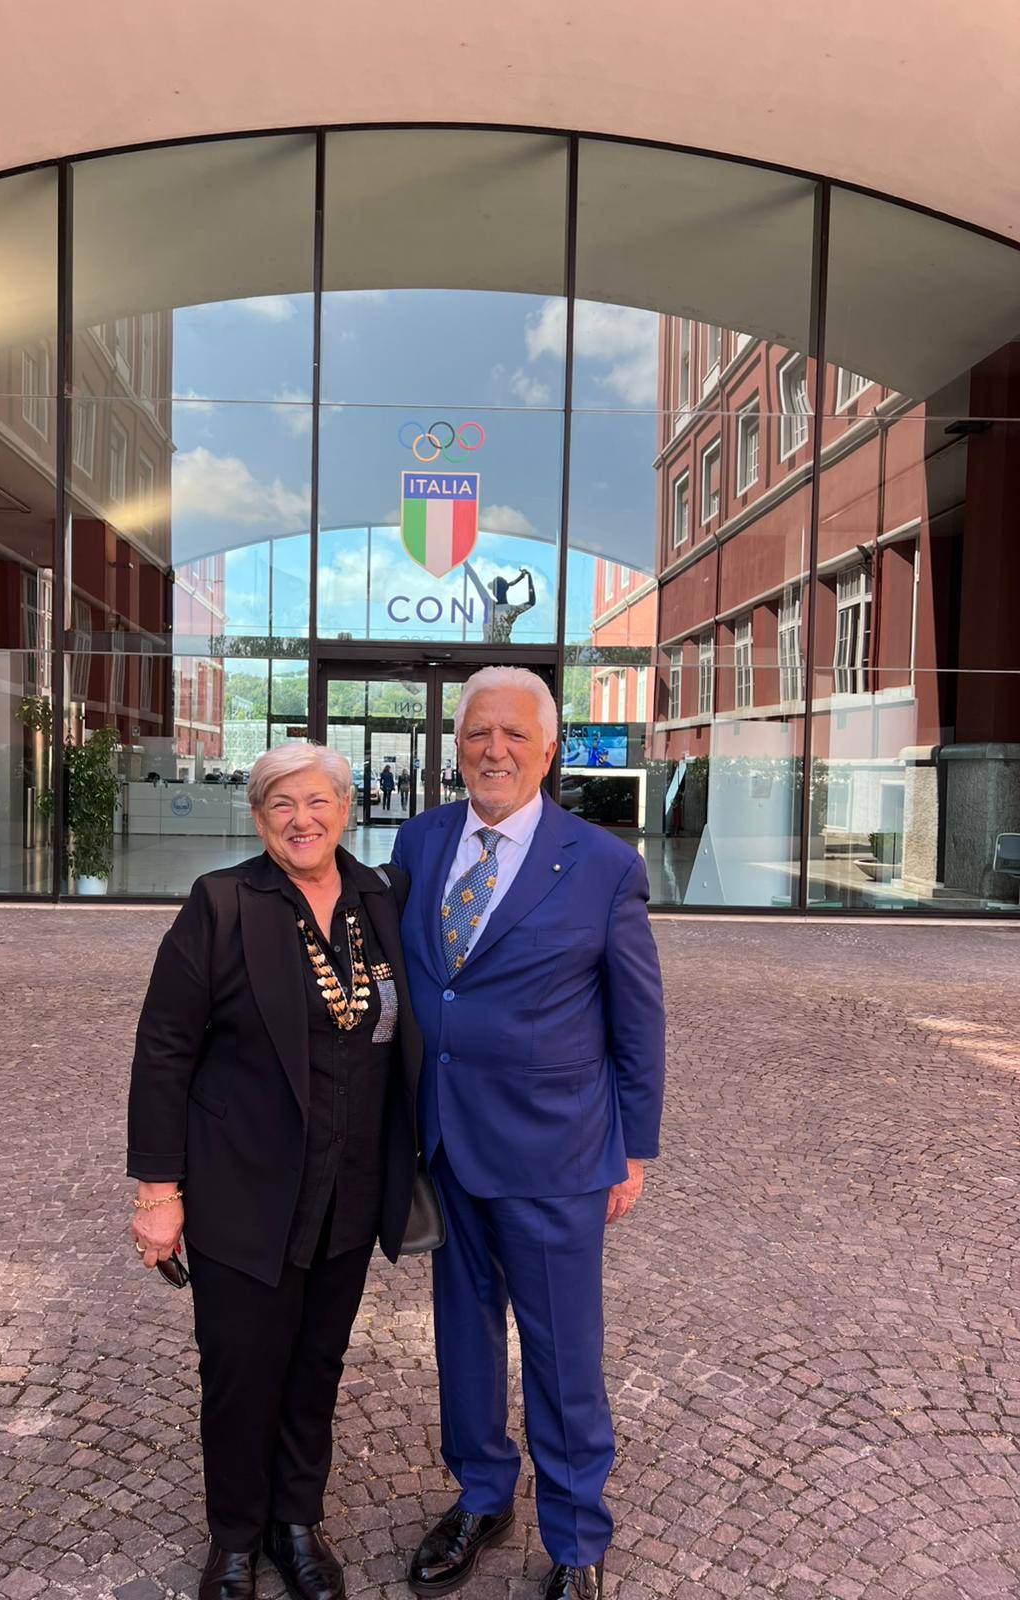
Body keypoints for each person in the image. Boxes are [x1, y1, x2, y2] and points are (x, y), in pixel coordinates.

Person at [391, 666, 665, 1600]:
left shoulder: (601, 864)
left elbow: (638, 1019)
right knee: (464, 1341)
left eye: (514, 734)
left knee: (561, 1353)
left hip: (556, 1152)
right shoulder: (421, 841)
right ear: (456, 746)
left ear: (548, 750)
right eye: (478, 733)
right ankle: (481, 1495)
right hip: (445, 1142)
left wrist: (633, 1148)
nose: (494, 750)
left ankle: (578, 1539)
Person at [126, 743, 422, 1600]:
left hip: (350, 1187)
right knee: (239, 1371)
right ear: (258, 818)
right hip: (243, 1189)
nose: (302, 819)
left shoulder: (382, 898)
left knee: (317, 1363)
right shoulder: (222, 904)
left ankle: (296, 1522)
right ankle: (234, 1537)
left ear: (346, 808)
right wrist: (158, 1192)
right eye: (281, 804)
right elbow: (163, 1049)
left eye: (318, 801)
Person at [463, 563, 537, 644]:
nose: (494, 592)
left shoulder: (495, 606)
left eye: (496, 589)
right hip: (494, 648)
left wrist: (529, 577)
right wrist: (465, 564)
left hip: (496, 648)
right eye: (494, 590)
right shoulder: (510, 609)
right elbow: (531, 602)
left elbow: (476, 581)